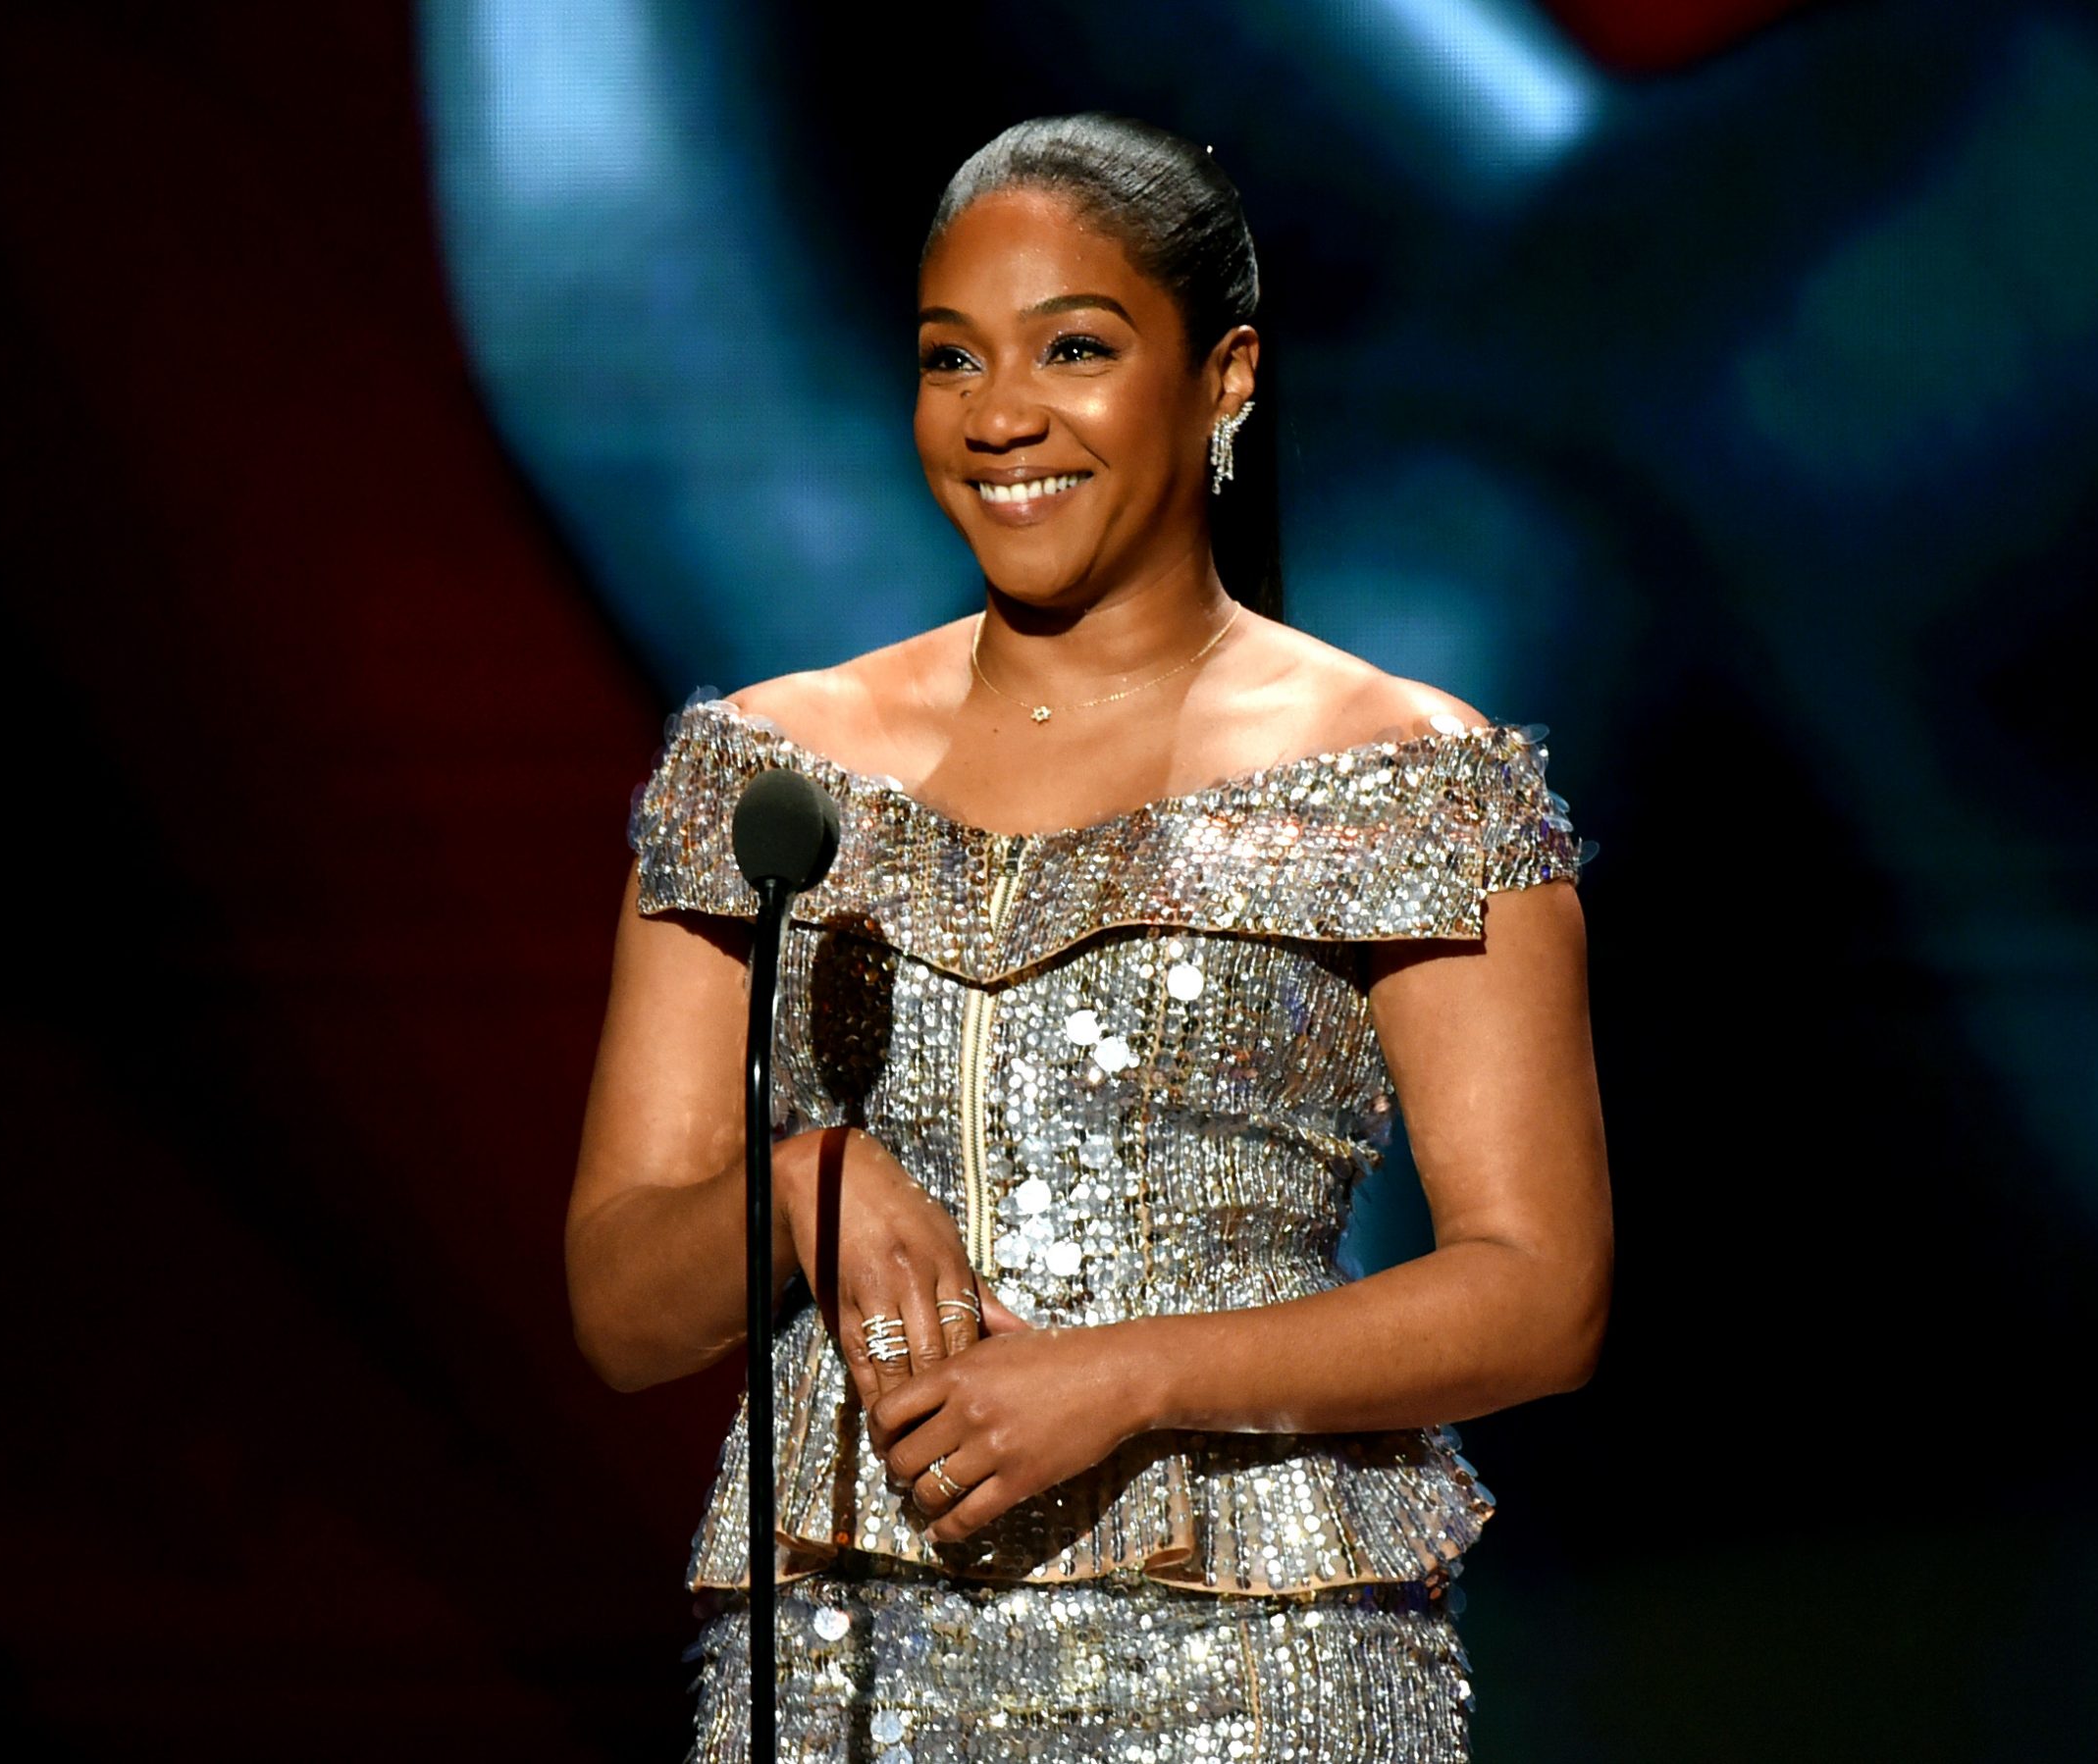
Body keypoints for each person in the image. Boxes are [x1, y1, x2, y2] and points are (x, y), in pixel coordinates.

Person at [568, 113, 1611, 1763]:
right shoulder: (765, 776)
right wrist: (801, 1184)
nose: (999, 415)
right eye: (951, 357)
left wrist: (1123, 1375)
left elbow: (1537, 1291)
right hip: (850, 1685)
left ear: (1225, 378)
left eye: (1074, 348)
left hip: (1256, 1677)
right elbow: (624, 1307)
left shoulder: (1407, 777)